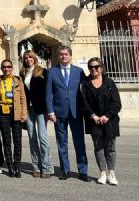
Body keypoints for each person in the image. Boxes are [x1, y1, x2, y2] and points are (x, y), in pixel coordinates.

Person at [46, 45, 89, 181]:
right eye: (61, 54)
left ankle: (83, 171)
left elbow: (85, 93)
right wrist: (50, 111)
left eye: (66, 54)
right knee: (61, 143)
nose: (63, 56)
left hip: (76, 112)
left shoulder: (79, 71)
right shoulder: (52, 72)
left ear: (70, 56)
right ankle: (65, 170)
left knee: (79, 142)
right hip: (59, 112)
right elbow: (48, 94)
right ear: (58, 56)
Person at [81, 57, 122, 186]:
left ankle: (112, 173)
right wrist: (93, 115)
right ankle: (102, 173)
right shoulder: (85, 84)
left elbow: (117, 103)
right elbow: (84, 103)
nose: (93, 69)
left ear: (101, 67)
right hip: (94, 121)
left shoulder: (109, 83)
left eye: (96, 67)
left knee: (110, 148)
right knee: (98, 147)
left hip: (109, 120)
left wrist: (107, 115)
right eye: (91, 67)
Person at [0, 59, 27, 178]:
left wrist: (24, 114)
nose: (6, 69)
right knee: (6, 141)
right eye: (4, 67)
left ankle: (17, 166)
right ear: (1, 68)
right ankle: (10, 165)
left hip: (15, 112)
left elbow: (23, 98)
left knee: (17, 141)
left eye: (9, 67)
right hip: (3, 112)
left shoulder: (17, 80)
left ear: (12, 68)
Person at [21, 50, 53, 178]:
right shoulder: (22, 73)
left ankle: (47, 167)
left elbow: (48, 92)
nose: (28, 59)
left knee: (43, 138)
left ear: (34, 58)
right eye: (26, 57)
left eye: (30, 57)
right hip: (28, 110)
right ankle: (36, 166)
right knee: (32, 139)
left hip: (40, 109)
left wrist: (49, 110)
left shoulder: (43, 72)